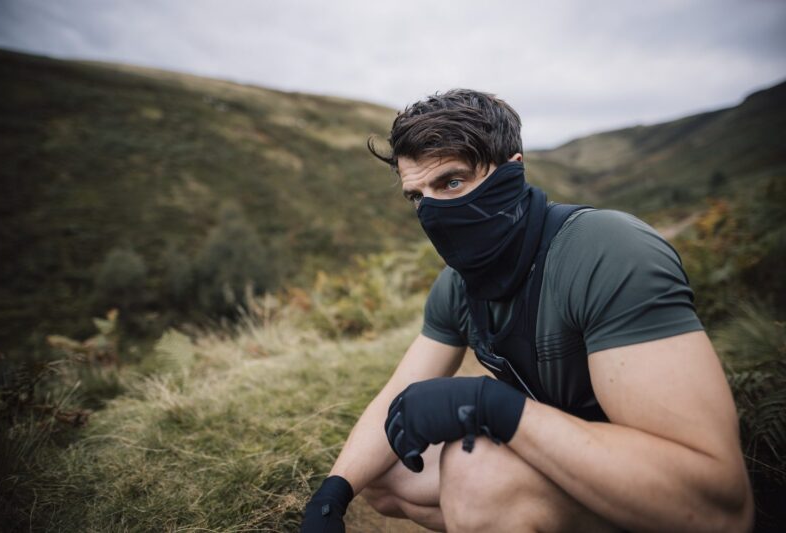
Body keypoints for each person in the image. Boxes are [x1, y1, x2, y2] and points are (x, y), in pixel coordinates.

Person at [299, 89, 753, 532]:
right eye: (418, 197)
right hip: (566, 458)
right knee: (386, 471)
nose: (434, 211)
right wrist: (333, 493)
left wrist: (495, 407)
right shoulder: (459, 284)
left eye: (452, 181)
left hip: (651, 483)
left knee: (478, 473)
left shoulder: (608, 251)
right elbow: (398, 393)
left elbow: (722, 508)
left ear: (512, 171)